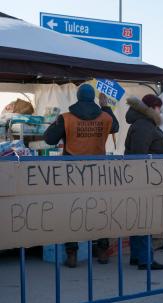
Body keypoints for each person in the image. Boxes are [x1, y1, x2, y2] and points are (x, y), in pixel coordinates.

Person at [44, 85, 119, 268]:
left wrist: (56, 123)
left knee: (73, 212)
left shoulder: (66, 118)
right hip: (98, 172)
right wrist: (105, 106)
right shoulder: (105, 117)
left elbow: (48, 139)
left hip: (72, 173)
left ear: (77, 97)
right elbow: (115, 126)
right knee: (99, 210)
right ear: (93, 98)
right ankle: (102, 251)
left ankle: (72, 254)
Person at [124, 94, 163, 270]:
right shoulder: (144, 125)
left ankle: (138, 256)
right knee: (145, 218)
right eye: (158, 107)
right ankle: (145, 259)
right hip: (145, 179)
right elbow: (140, 154)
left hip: (143, 178)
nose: (160, 110)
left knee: (139, 217)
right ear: (151, 108)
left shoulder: (144, 123)